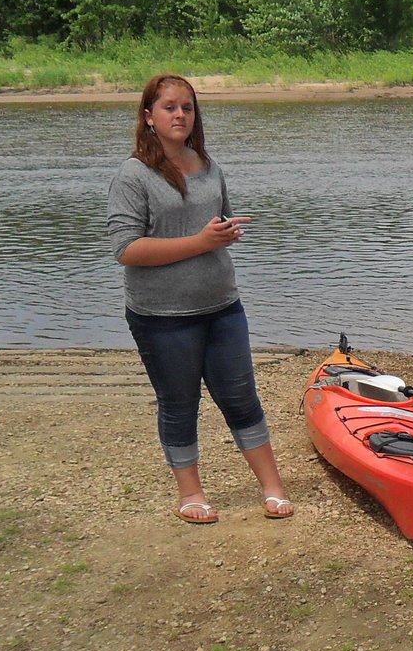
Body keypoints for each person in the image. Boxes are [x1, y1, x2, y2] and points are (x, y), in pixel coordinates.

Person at [106, 73, 293, 525]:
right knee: (179, 402)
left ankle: (272, 486)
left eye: (187, 107)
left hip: (222, 306)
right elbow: (125, 249)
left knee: (241, 397)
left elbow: (214, 225)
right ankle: (191, 493)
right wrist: (201, 242)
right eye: (169, 107)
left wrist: (225, 233)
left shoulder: (208, 166)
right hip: (161, 316)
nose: (180, 115)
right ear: (148, 116)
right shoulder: (134, 175)